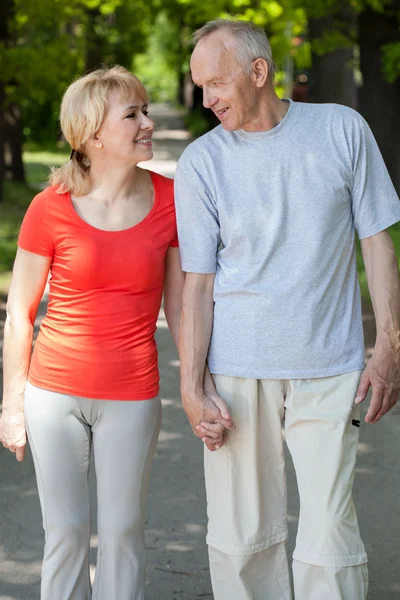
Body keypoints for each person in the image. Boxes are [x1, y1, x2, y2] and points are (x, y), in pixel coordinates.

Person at [174, 18, 400, 600]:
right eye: (200, 87)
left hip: (331, 366)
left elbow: (377, 243)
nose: (208, 100)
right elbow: (196, 284)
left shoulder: (342, 129)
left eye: (216, 83)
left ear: (258, 71)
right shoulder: (202, 163)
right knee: (241, 536)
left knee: (330, 533)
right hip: (236, 369)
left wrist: (389, 349)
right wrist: (191, 385)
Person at [0, 66, 184, 600]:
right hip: (53, 393)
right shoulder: (49, 207)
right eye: (134, 114)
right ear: (93, 133)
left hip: (131, 391)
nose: (148, 122)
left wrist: (198, 383)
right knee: (66, 531)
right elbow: (20, 312)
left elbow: (181, 305)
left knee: (125, 532)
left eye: (147, 109)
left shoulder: (171, 200)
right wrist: (13, 406)